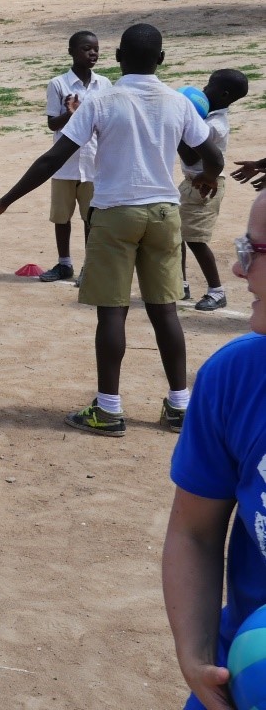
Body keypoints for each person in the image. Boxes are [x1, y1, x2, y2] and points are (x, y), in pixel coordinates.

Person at [0, 23, 223, 437]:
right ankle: (180, 405)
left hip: (115, 213)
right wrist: (205, 179)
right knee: (165, 311)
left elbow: (53, 158)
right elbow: (210, 155)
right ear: (161, 60)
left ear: (118, 57)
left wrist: (6, 200)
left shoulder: (103, 100)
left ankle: (109, 410)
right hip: (164, 213)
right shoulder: (177, 102)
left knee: (113, 312)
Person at [163, 188, 266, 710]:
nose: (238, 268)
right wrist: (195, 655)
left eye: (254, 251)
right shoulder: (238, 375)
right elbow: (194, 530)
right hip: (245, 676)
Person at [39, 31, 111, 283]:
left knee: (90, 218)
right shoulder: (58, 84)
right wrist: (71, 114)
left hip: (93, 164)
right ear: (71, 52)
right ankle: (64, 263)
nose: (92, 53)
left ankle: (89, 267)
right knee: (62, 217)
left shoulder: (104, 85)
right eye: (85, 48)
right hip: (64, 165)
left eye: (95, 49)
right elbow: (52, 124)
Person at [180, 70, 249, 311]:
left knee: (195, 240)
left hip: (205, 186)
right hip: (190, 184)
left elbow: (190, 155)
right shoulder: (205, 115)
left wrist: (179, 123)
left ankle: (216, 291)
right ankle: (180, 284)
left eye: (209, 86)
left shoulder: (215, 125)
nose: (204, 89)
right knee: (176, 235)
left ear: (223, 94)